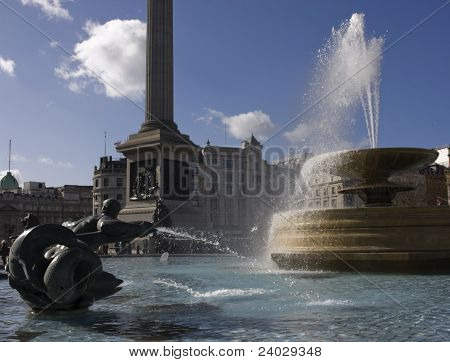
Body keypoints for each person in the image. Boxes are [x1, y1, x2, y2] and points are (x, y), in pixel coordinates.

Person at [63, 199, 156, 251]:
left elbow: (64, 224)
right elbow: (105, 226)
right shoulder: (103, 219)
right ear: (116, 212)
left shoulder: (87, 220)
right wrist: (139, 228)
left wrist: (136, 232)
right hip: (72, 255)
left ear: (103, 207)